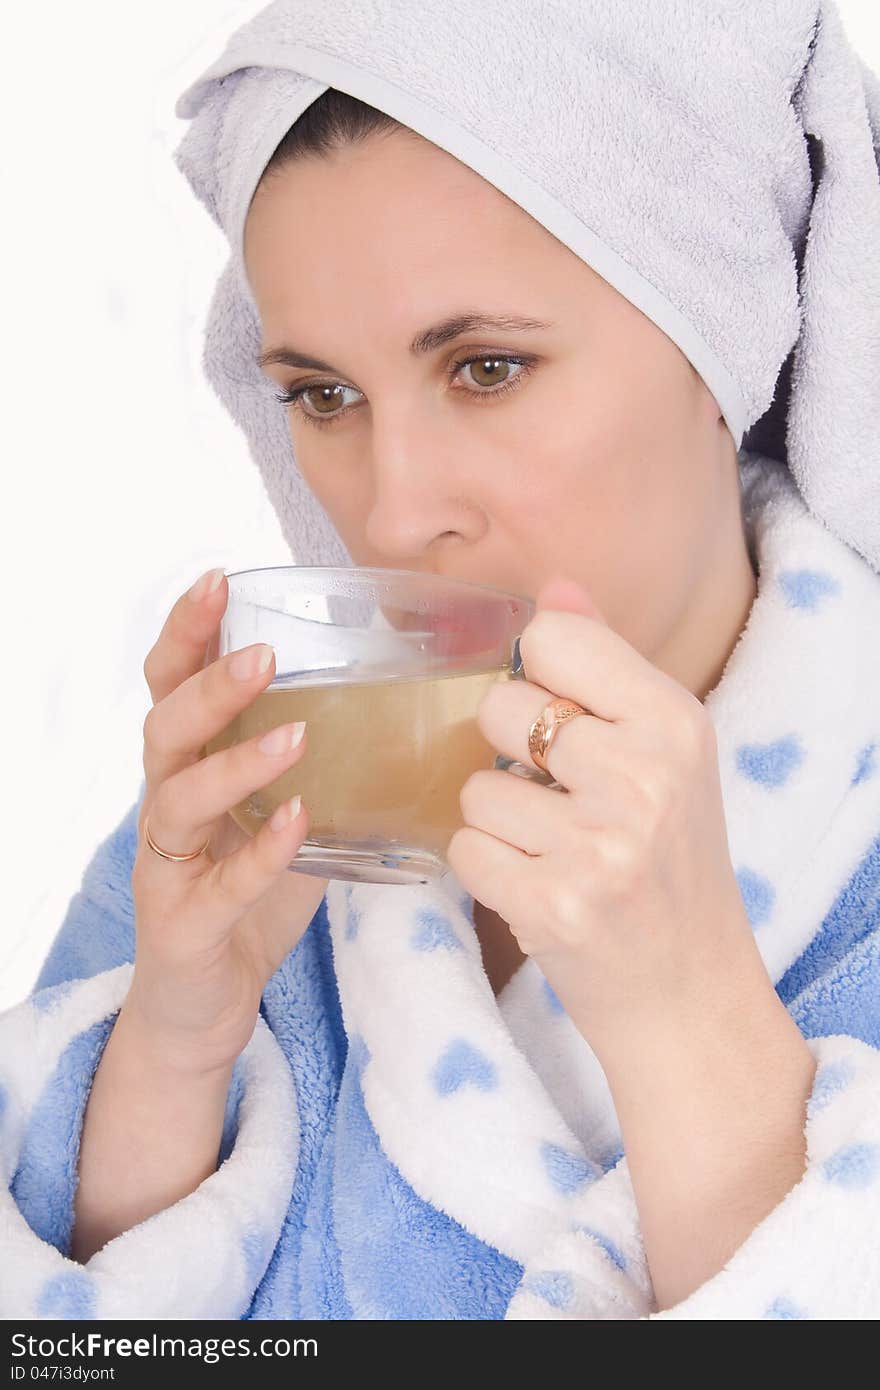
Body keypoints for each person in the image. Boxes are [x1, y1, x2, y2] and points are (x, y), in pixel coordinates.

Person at [2, 0, 879, 1321]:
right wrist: (179, 1047)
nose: (396, 512)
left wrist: (691, 1018)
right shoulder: (241, 833)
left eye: (484, 368)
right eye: (324, 394)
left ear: (723, 338)